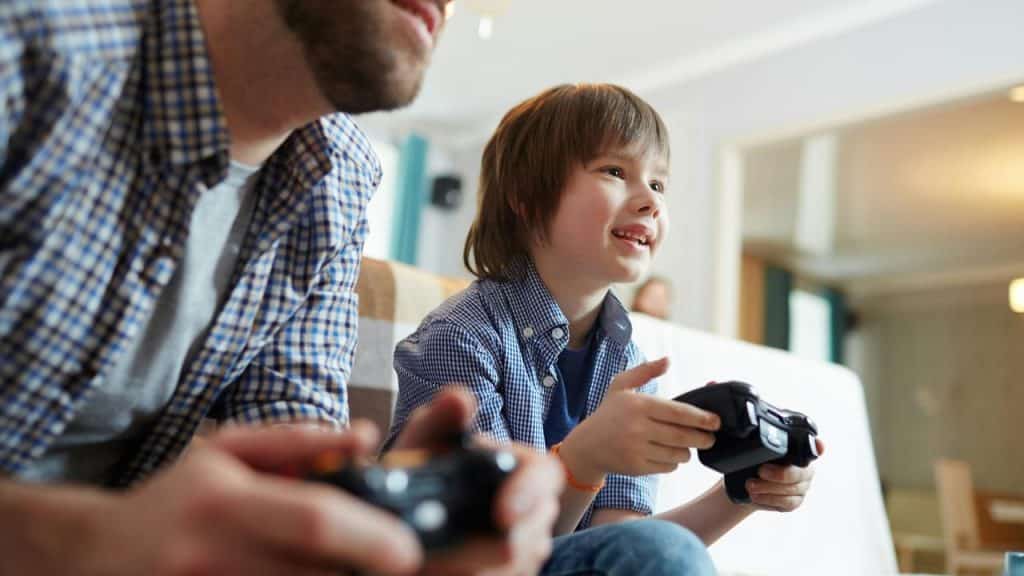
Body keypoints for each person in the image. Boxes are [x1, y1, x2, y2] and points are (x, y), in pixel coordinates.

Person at [0, 1, 563, 574]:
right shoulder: (33, 42)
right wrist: (84, 541)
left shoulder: (340, 173)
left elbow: (292, 425)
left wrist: (368, 509)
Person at [383, 84, 826, 574]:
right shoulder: (461, 337)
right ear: (526, 197)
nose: (650, 202)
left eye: (658, 185)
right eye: (616, 171)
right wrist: (583, 459)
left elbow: (622, 546)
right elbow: (485, 552)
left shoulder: (627, 360)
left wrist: (739, 494)